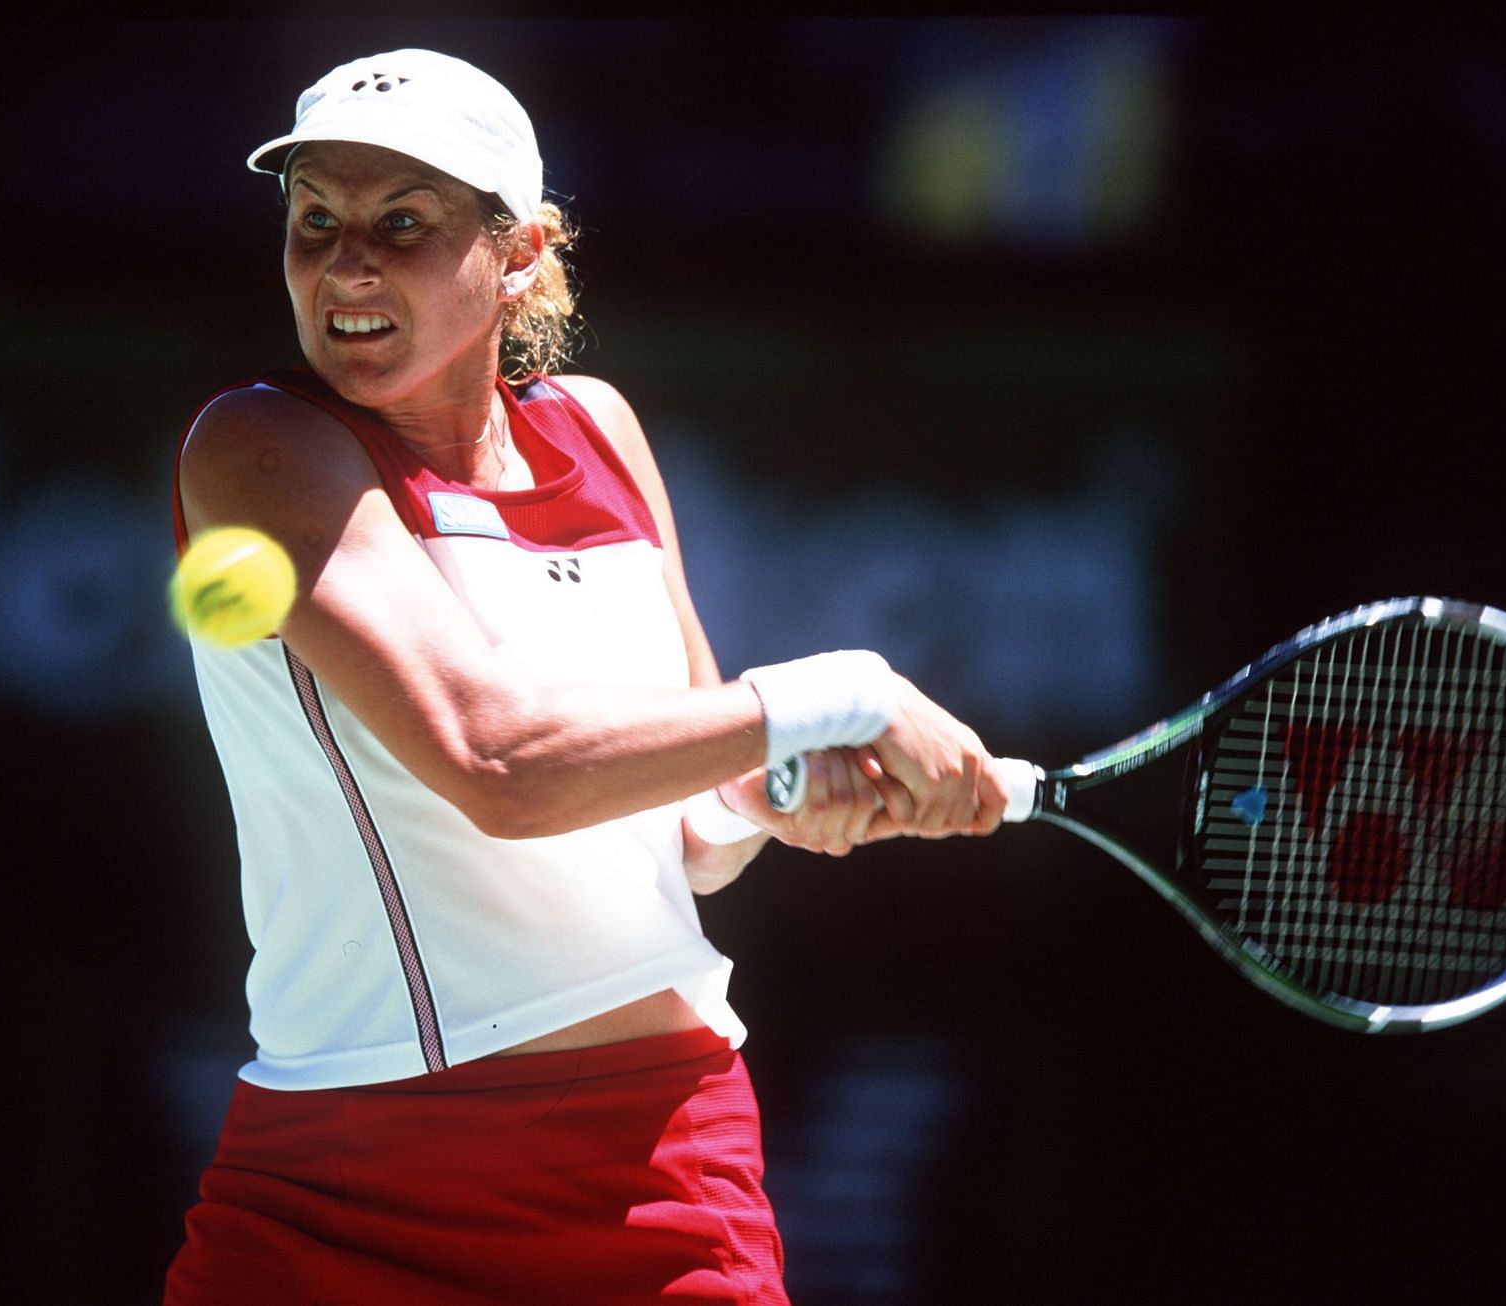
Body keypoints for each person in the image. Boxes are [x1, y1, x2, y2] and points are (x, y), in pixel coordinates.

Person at [163, 49, 1008, 1305]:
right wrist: (847, 692)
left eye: (403, 224)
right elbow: (499, 764)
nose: (347, 267)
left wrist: (778, 794)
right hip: (340, 1195)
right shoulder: (259, 446)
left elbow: (691, 831)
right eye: (315, 224)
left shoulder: (597, 427)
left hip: (663, 1178)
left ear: (518, 253)